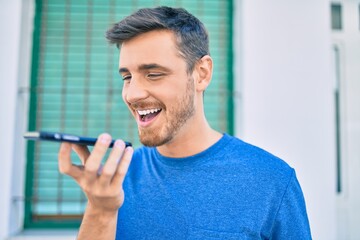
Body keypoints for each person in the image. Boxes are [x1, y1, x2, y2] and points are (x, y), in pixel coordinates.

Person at [58, 6, 312, 239]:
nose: (132, 94)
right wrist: (100, 210)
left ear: (202, 74)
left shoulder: (272, 180)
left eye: (154, 74)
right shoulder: (115, 182)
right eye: (127, 77)